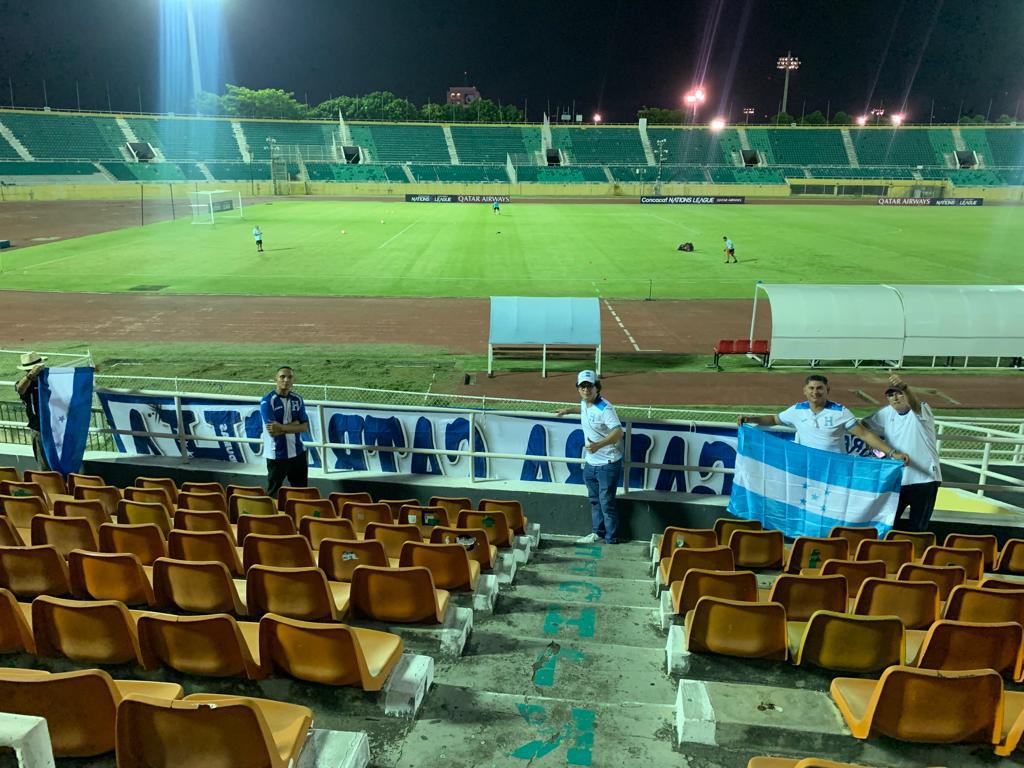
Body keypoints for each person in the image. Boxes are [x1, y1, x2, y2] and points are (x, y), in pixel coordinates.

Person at [737, 374, 909, 461]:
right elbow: (774, 420)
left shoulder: (840, 412)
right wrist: (751, 419)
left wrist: (892, 453)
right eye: (811, 388)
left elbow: (864, 434)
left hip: (834, 468)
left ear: (828, 390)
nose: (815, 392)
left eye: (820, 388)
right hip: (808, 467)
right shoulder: (797, 410)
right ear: (805, 390)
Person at [861, 373, 942, 531]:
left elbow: (915, 404)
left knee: (918, 528)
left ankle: (915, 554)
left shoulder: (920, 410)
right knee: (888, 524)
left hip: (924, 479)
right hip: (897, 479)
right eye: (891, 395)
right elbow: (863, 425)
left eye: (899, 393)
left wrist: (904, 386)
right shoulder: (886, 413)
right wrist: (872, 442)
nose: (895, 397)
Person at [556, 370, 625, 544]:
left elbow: (618, 432)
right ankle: (597, 533)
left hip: (607, 464)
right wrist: (568, 410)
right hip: (591, 463)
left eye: (589, 386)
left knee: (606, 503)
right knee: (595, 501)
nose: (586, 390)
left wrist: (597, 446)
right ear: (578, 388)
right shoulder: (585, 403)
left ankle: (611, 539)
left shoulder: (605, 408)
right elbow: (583, 408)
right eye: (582, 386)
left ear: (597, 387)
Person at [260, 366, 309, 498]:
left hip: (298, 453)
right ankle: (273, 518)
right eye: (282, 377)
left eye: (289, 377)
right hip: (277, 455)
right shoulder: (267, 401)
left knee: (301, 492)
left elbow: (304, 427)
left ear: (293, 380)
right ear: (276, 379)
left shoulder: (297, 399)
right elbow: (273, 432)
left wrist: (281, 427)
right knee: (273, 493)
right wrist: (294, 424)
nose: (286, 380)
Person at [14, 352, 50, 470]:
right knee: (44, 466)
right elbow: (20, 389)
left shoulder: (49, 378)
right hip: (39, 428)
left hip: (56, 427)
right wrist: (30, 376)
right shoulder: (25, 383)